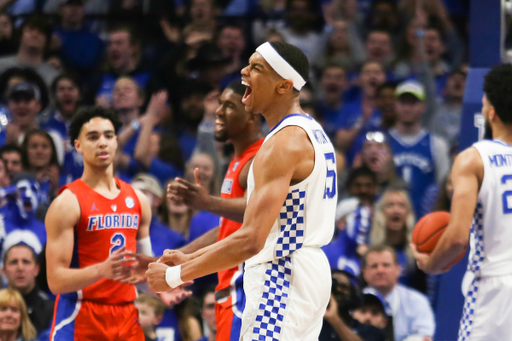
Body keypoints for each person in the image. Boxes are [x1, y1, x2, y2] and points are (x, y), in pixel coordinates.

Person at [146, 41, 338, 340]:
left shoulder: (282, 144)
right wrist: (191, 258)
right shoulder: (312, 132)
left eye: (257, 68)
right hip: (307, 271)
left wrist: (174, 277)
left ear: (283, 86)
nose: (243, 71)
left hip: (281, 275)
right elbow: (263, 228)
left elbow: (251, 239)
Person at [412, 64, 512, 340]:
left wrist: (430, 264)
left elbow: (457, 238)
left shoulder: (473, 158)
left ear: (490, 111)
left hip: (495, 288)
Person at [44, 106, 153, 340]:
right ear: (78, 145)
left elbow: (144, 271)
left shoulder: (139, 200)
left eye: (108, 135)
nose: (102, 142)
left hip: (127, 317)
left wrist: (166, 285)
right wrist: (100, 271)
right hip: (81, 315)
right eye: (93, 137)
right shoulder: (66, 203)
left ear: (116, 142)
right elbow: (55, 281)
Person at [167, 80, 264, 341]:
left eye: (229, 106)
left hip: (249, 292)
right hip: (229, 291)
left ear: (253, 116)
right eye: (219, 104)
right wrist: (178, 256)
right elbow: (228, 229)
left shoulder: (262, 157)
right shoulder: (237, 159)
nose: (219, 111)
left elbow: (261, 213)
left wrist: (207, 203)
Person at [387, 80, 450, 218]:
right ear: (395, 105)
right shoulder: (383, 142)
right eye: (403, 102)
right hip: (389, 218)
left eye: (413, 103)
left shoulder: (437, 144)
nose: (407, 108)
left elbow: (443, 188)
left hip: (424, 218)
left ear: (423, 106)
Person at [362, 245, 435, 341]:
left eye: (386, 265)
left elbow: (424, 337)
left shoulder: (417, 301)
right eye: (374, 266)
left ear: (398, 270)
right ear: (364, 272)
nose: (380, 270)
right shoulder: (355, 302)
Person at [2, 243, 54, 336]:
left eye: (26, 262)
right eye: (14, 262)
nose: (20, 268)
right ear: (4, 271)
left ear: (36, 269)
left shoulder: (51, 311)